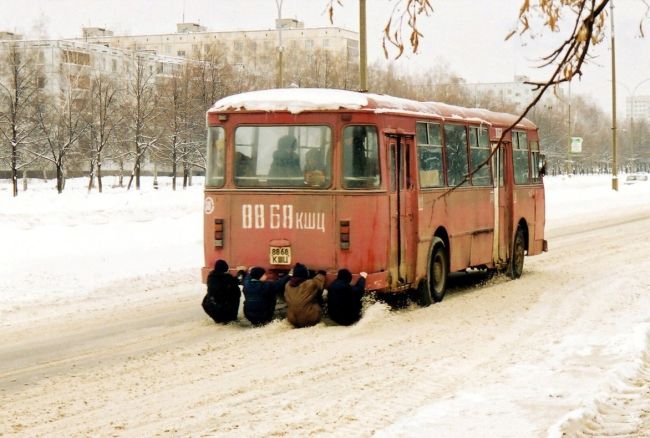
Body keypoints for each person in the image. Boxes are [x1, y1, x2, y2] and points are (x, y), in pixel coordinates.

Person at [284, 263, 326, 328]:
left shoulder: (287, 285)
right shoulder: (310, 284)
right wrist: (321, 273)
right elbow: (319, 282)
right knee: (317, 299)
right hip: (309, 319)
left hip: (292, 319)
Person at [202, 259, 241, 324]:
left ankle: (220, 320)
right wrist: (241, 271)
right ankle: (230, 319)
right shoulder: (226, 278)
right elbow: (238, 280)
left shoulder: (211, 277)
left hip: (210, 306)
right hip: (223, 308)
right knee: (235, 292)